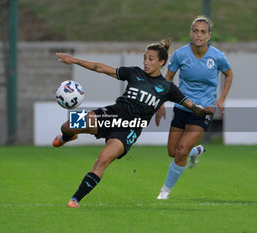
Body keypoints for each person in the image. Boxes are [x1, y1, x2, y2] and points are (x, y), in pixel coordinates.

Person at [52, 39, 215, 208]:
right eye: (145, 58)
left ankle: (75, 199)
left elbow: (191, 105)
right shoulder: (134, 73)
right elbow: (101, 68)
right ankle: (67, 137)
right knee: (67, 126)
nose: (146, 62)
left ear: (161, 62)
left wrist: (203, 111)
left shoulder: (168, 88)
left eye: (151, 59)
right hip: (111, 114)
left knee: (102, 161)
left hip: (128, 130)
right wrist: (75, 60)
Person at [155, 16, 233, 200]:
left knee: (181, 150)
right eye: (195, 31)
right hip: (182, 106)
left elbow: (229, 75)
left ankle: (164, 191)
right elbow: (168, 78)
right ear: (191, 33)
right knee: (172, 151)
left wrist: (221, 99)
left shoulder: (218, 56)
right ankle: (195, 151)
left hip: (204, 109)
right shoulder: (181, 54)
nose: (199, 35)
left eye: (203, 32)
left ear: (209, 35)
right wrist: (161, 103)